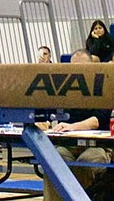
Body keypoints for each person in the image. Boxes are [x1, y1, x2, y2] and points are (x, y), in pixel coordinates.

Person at [43, 48, 112, 201]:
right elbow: (51, 111)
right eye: (74, 66)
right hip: (68, 144)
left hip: (97, 146)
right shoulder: (66, 87)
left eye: (82, 66)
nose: (77, 70)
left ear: (91, 67)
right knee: (53, 161)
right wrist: (43, 121)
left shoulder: (102, 86)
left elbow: (97, 121)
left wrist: (72, 126)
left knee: (85, 162)